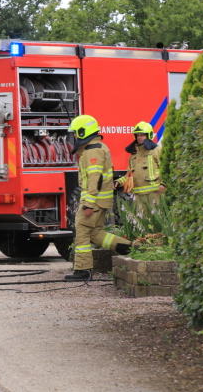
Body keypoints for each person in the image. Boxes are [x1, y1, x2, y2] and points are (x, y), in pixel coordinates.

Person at [65, 115, 132, 281]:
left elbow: (95, 179)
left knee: (81, 230)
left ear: (83, 131)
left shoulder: (92, 150)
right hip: (99, 200)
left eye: (76, 133)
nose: (74, 136)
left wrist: (88, 204)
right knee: (95, 233)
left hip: (93, 201)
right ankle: (129, 248)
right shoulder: (95, 147)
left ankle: (83, 270)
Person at [114, 122, 165, 209]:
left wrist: (164, 184)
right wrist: (119, 181)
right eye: (137, 135)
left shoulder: (157, 150)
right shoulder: (133, 155)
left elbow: (166, 168)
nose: (139, 137)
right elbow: (129, 175)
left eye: (142, 135)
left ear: (149, 135)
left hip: (155, 194)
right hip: (138, 197)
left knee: (157, 220)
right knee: (141, 222)